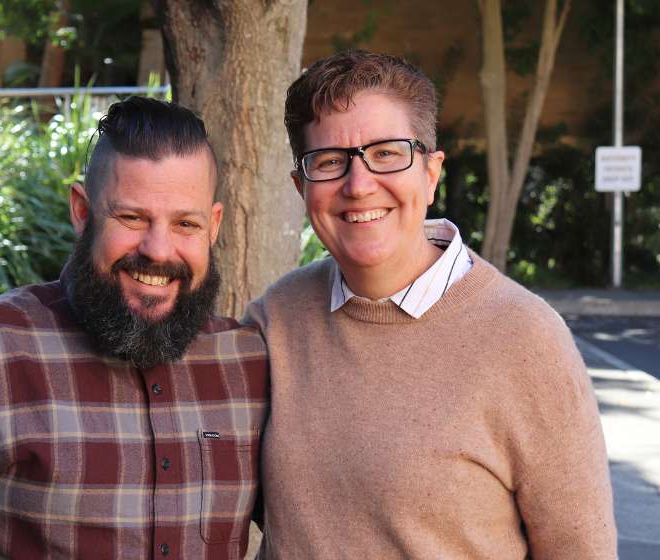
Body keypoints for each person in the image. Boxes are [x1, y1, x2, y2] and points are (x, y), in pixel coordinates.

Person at [245, 50, 616, 559]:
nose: (358, 185)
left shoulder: (526, 341)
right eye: (330, 162)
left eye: (387, 153)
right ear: (301, 187)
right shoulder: (274, 321)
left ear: (432, 172)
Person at [0, 97, 268, 559]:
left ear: (213, 226)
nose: (159, 249)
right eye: (132, 218)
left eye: (185, 223)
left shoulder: (248, 363)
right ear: (81, 210)